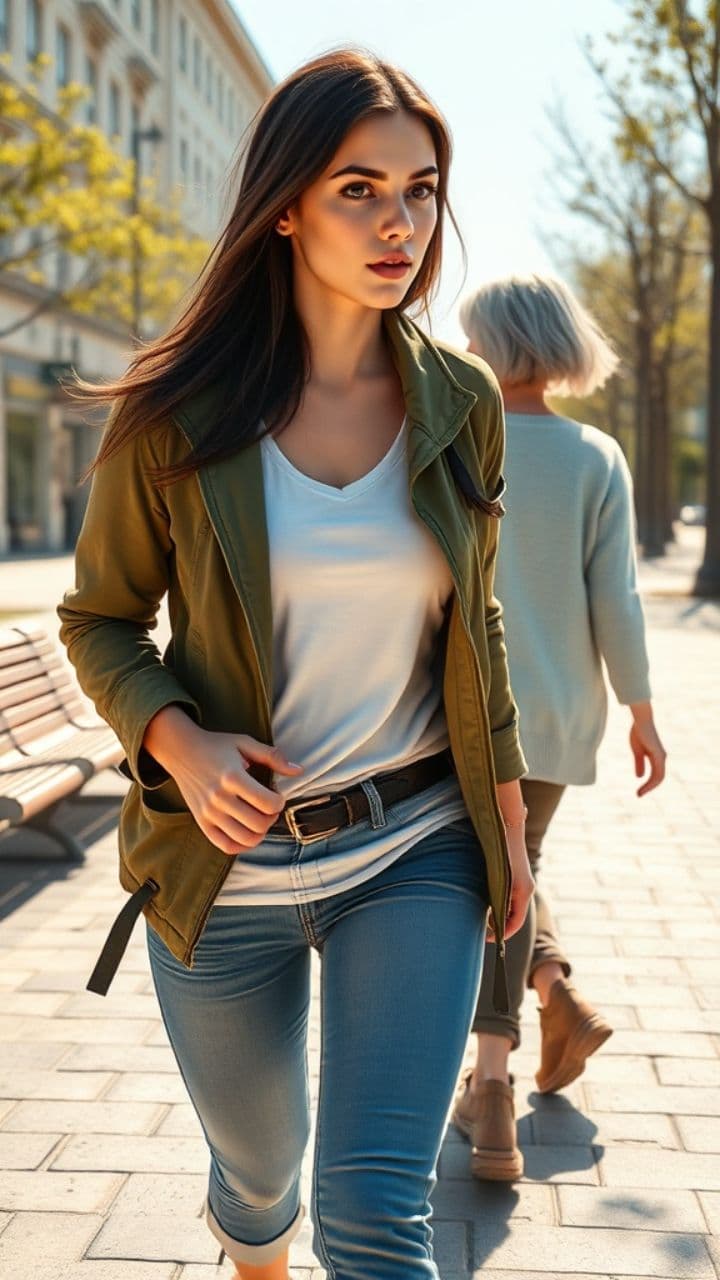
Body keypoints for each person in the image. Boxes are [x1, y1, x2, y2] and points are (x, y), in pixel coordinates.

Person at [57, 51, 534, 1280]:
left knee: (376, 1214)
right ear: (286, 204)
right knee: (262, 1183)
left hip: (415, 844)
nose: (401, 224)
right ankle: (249, 1250)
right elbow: (100, 619)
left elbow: (472, 617)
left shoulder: (460, 398)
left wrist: (510, 813)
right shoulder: (175, 410)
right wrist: (181, 739)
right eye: (359, 189)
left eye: (421, 190)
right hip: (224, 866)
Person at [451, 274, 667, 1183]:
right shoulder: (597, 456)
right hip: (557, 707)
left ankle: (492, 1089)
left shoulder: (457, 438)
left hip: (460, 706)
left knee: (496, 878)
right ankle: (554, 996)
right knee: (514, 861)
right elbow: (613, 597)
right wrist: (642, 711)